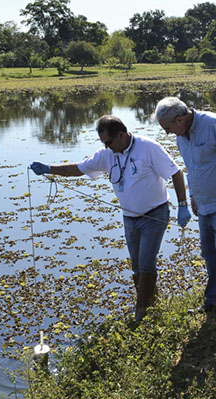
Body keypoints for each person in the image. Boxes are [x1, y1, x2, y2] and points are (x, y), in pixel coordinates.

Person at [30, 115, 190, 322]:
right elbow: (79, 168)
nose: (106, 146)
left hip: (154, 214)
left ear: (121, 135)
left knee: (146, 263)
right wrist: (49, 169)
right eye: (103, 143)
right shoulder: (107, 154)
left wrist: (182, 205)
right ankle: (152, 306)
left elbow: (176, 172)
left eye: (109, 142)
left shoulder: (148, 148)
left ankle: (141, 314)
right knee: (136, 266)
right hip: (129, 217)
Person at [154, 97, 216, 321]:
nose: (167, 133)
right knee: (209, 253)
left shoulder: (212, 124)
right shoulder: (181, 137)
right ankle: (213, 302)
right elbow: (191, 168)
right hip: (204, 204)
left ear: (179, 120)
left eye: (167, 128)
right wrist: (193, 196)